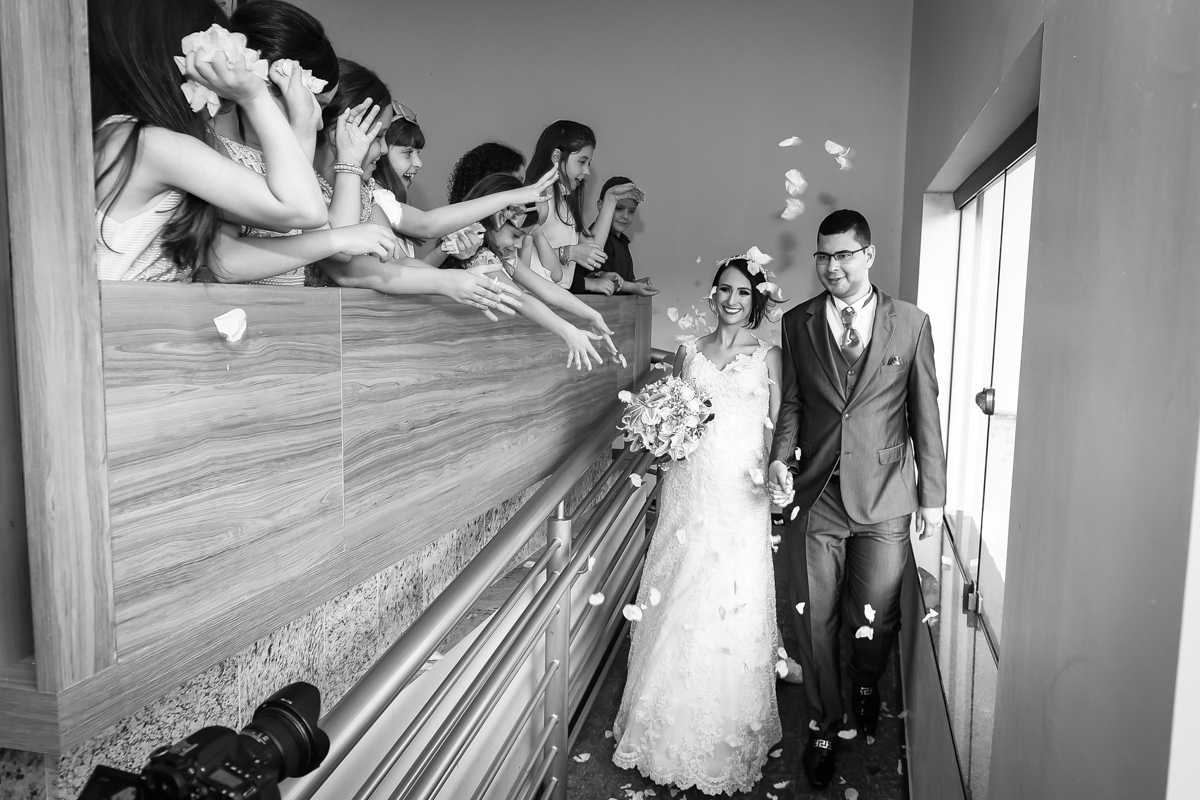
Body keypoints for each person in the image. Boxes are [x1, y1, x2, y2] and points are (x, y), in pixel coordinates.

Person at [767, 209, 947, 790]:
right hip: (818, 494)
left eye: (844, 255)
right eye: (823, 256)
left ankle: (867, 680)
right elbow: (793, 404)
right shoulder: (798, 324)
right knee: (814, 618)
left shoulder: (911, 323)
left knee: (878, 615)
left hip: (887, 497)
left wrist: (933, 498)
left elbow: (926, 414)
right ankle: (822, 722)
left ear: (868, 256)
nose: (832, 267)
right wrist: (779, 456)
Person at [612, 253, 784, 795]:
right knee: (681, 588)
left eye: (742, 292)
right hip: (691, 485)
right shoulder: (689, 352)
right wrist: (664, 436)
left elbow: (782, 424)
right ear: (713, 294)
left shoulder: (770, 356)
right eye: (723, 290)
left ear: (755, 300)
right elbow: (682, 411)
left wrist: (779, 473)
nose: (732, 300)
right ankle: (658, 722)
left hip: (743, 489)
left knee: (736, 594)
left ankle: (728, 728)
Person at [89, 0, 328, 282]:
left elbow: (293, 211)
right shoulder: (150, 144)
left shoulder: (129, 136)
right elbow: (304, 210)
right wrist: (254, 95)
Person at [445, 174, 617, 369]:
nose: (518, 244)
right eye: (516, 235)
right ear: (494, 220)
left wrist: (592, 315)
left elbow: (546, 288)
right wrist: (568, 331)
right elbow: (521, 300)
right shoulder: (479, 256)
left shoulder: (502, 255)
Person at [522, 120, 611, 291]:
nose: (587, 171)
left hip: (555, 298)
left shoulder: (563, 200)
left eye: (589, 163)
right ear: (556, 157)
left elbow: (593, 249)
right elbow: (514, 260)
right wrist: (568, 253)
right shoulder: (538, 199)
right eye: (582, 162)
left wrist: (611, 200)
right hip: (534, 299)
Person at [571, 175, 658, 297]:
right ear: (602, 206)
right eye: (619, 208)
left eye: (631, 211)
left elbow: (619, 280)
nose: (625, 216)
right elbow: (597, 280)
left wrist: (635, 284)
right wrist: (632, 287)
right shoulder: (592, 239)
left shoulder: (622, 241)